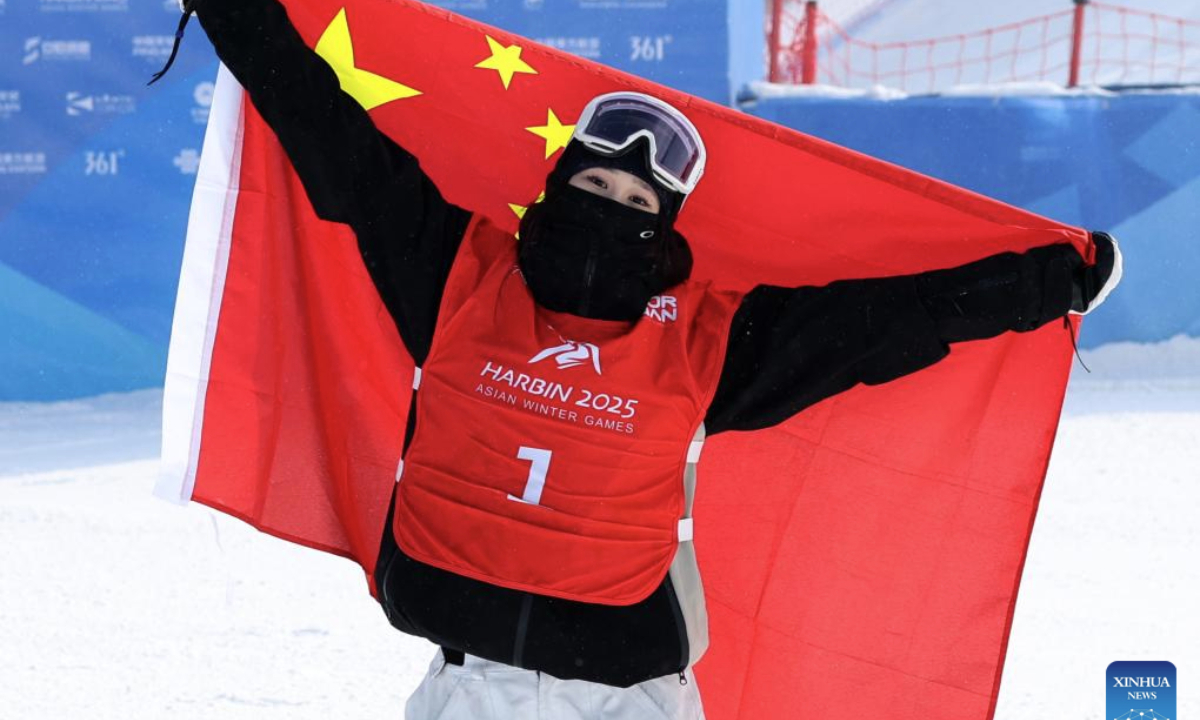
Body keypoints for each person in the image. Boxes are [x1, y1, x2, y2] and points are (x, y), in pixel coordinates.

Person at [181, 0, 1122, 717]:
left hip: (622, 688)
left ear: (665, 228)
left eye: (637, 198)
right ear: (551, 189)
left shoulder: (706, 339)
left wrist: (1051, 285)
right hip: (470, 680)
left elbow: (885, 322)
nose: (611, 203)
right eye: (593, 180)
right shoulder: (455, 275)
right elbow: (332, 138)